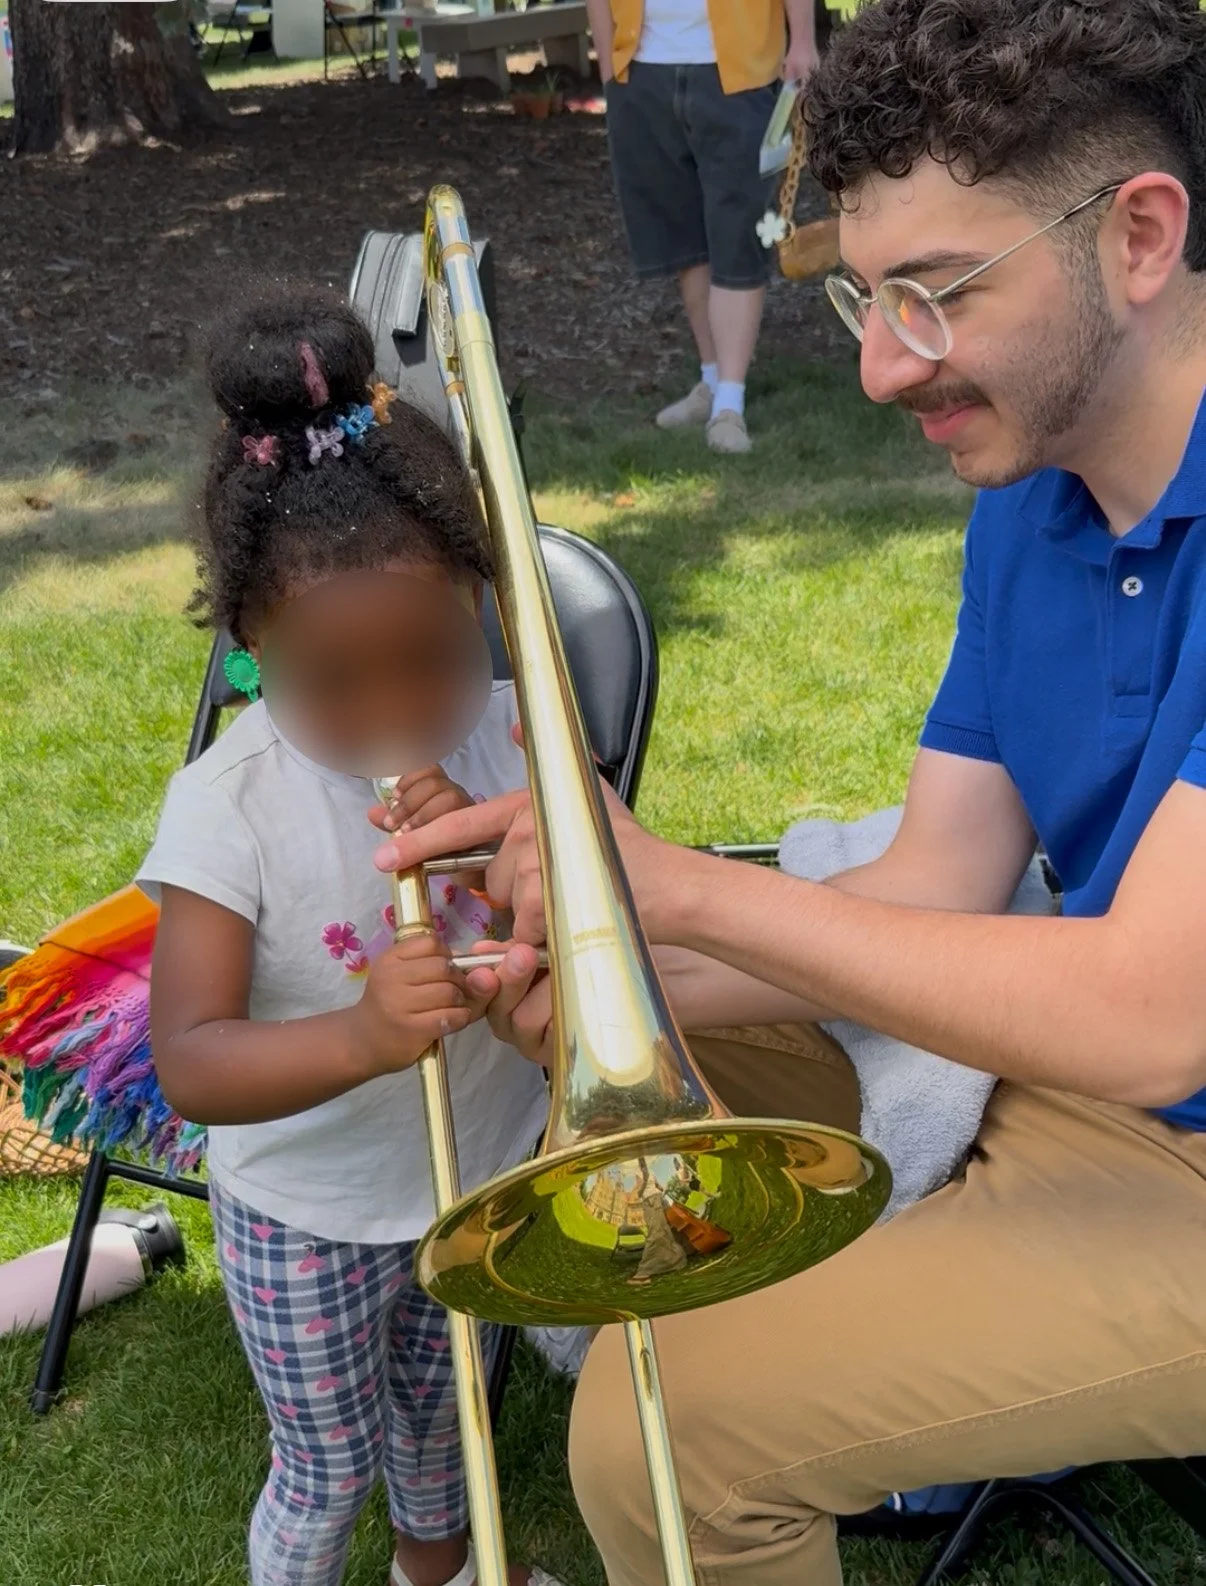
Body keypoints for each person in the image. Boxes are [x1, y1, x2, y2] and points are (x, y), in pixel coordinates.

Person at [376, 1, 1206, 1581]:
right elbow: (933, 883)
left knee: (659, 1434)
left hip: (1162, 1117)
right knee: (658, 1064)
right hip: (1095, 1094)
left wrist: (671, 884)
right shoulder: (1032, 495)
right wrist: (596, 949)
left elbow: (1156, 1009)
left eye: (934, 295)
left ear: (1140, 235)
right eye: (863, 301)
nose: (886, 368)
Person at [138, 292, 560, 1586]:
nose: (395, 711)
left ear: (480, 604)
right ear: (253, 646)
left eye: (432, 658)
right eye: (336, 681)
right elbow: (194, 1059)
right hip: (305, 1215)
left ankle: (435, 1570)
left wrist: (493, 853)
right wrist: (367, 1031)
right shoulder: (233, 803)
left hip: (475, 1169)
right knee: (324, 1468)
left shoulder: (508, 733)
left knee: (449, 1432)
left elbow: (581, 924)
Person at [586, 0, 820, 454]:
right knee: (685, 240)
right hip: (641, 72)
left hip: (739, 72)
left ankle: (730, 403)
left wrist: (803, 42)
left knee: (739, 235)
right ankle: (711, 381)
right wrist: (608, 66)